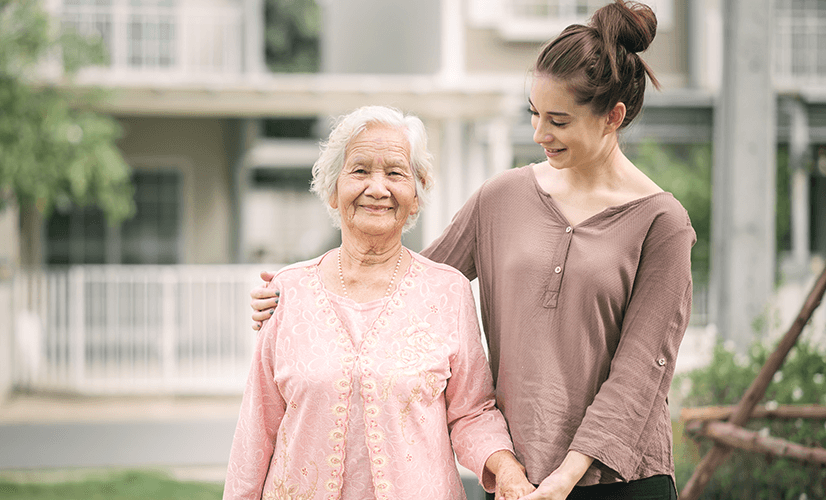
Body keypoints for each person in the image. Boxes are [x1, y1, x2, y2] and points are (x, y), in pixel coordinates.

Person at [250, 2, 694, 499]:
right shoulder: (500, 198)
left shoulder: (662, 223)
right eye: (534, 114)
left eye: (559, 121)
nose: (539, 135)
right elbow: (411, 288)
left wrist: (565, 479)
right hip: (517, 478)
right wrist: (303, 295)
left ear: (613, 117)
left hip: (621, 478)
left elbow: (639, 375)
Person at [224, 105, 533, 500]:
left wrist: (506, 469)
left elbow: (471, 412)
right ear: (333, 190)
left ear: (416, 194)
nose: (377, 187)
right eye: (359, 170)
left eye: (395, 172)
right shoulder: (286, 291)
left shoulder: (448, 291)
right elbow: (257, 428)